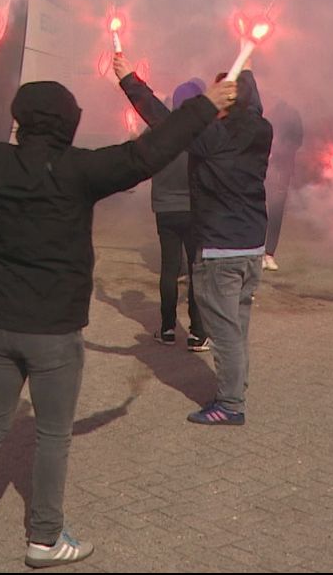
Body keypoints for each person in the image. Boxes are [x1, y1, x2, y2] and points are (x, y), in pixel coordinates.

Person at [0, 72, 235, 566]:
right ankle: (45, 539)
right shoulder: (80, 170)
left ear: (22, 120)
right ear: (67, 123)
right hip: (54, 333)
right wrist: (203, 106)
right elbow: (149, 153)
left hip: (1, 326)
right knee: (54, 435)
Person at [116, 56, 272, 426]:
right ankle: (235, 389)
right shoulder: (262, 129)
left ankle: (231, 404)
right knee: (238, 326)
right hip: (252, 247)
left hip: (222, 249)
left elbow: (167, 122)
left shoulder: (215, 136)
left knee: (226, 332)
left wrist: (128, 80)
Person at [143, 79, 208, 348]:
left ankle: (168, 328)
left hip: (165, 208)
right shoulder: (203, 132)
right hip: (194, 210)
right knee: (197, 270)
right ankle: (197, 333)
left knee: (169, 268)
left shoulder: (160, 130)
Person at [262, 98, 304, 271]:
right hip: (270, 168)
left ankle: (267, 253)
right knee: (271, 210)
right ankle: (266, 253)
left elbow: (296, 141)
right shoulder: (268, 112)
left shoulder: (290, 115)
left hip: (279, 169)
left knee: (275, 209)